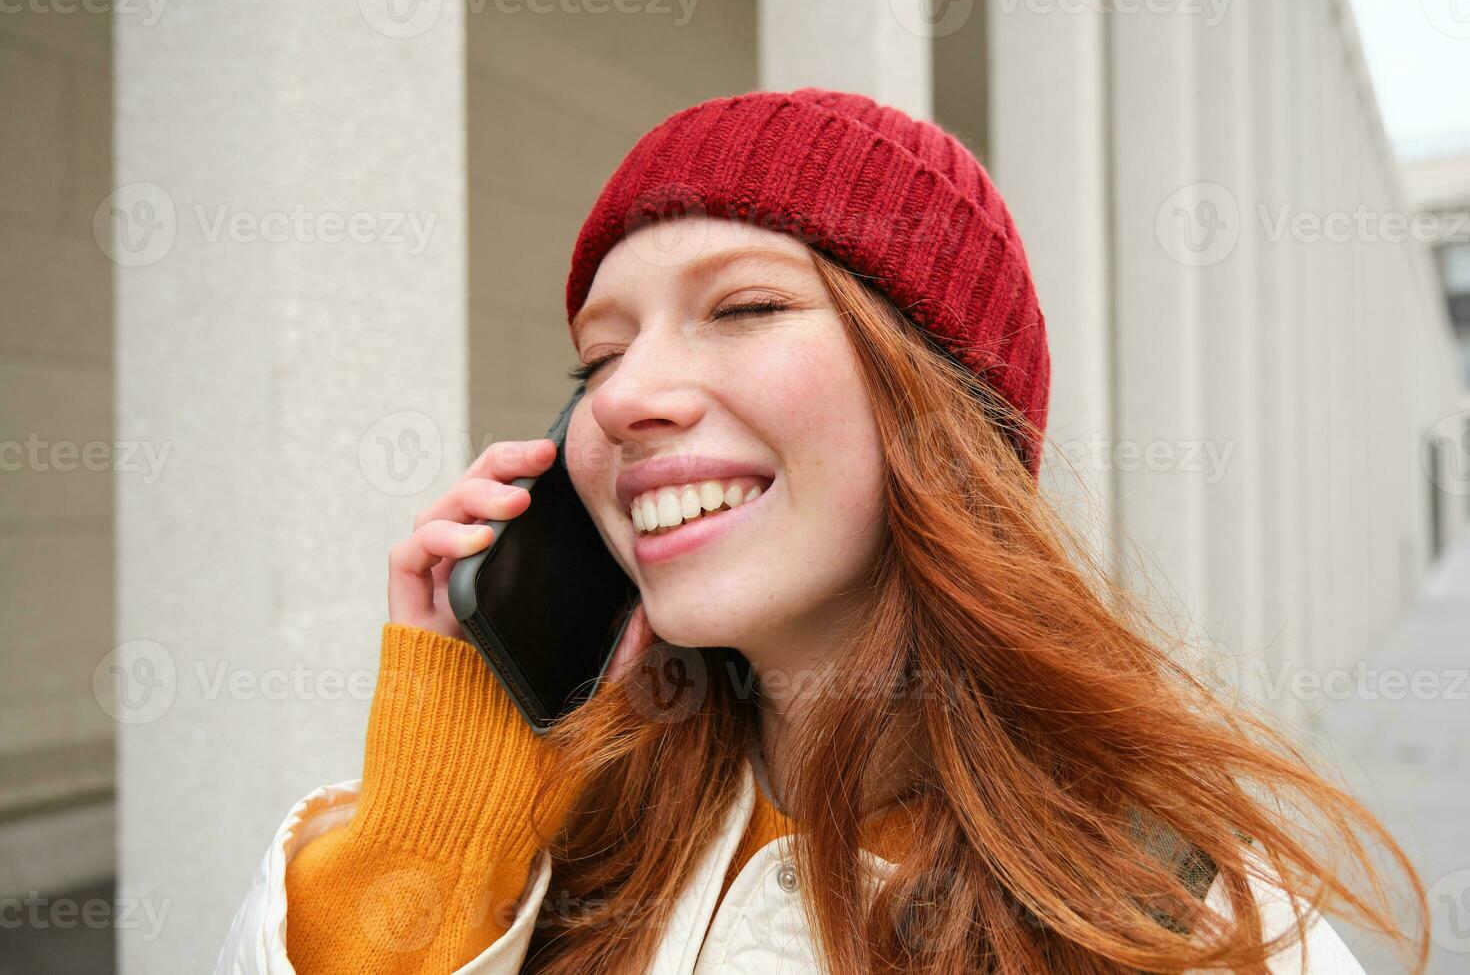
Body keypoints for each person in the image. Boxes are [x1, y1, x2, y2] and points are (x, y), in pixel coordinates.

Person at [217, 88, 1427, 974]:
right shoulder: (548, 829)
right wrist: (434, 822)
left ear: (942, 405)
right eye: (600, 354)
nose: (628, 394)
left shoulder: (1176, 907)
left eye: (743, 305)